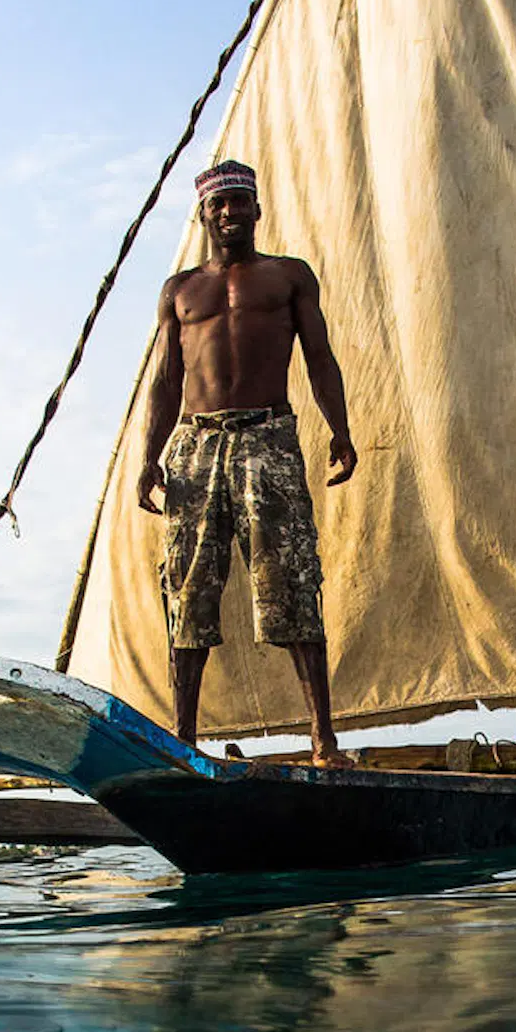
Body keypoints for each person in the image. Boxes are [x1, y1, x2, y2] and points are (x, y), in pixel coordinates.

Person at [136, 160, 357, 760]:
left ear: (257, 211)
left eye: (240, 203)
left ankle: (322, 738)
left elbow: (319, 356)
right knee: (187, 589)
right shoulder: (179, 291)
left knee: (292, 580)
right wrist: (149, 457)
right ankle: (184, 739)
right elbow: (164, 381)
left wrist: (340, 429)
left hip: (269, 437)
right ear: (204, 214)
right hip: (196, 444)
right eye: (219, 204)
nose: (230, 213)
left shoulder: (287, 278)